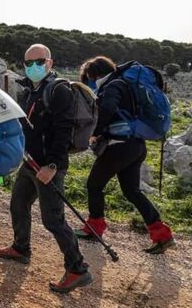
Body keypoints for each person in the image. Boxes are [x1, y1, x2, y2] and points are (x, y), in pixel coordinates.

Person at [0, 44, 92, 293]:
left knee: (53, 219)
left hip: (48, 167)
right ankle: (21, 247)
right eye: (28, 63)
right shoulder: (29, 91)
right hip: (29, 163)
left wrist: (52, 165)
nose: (33, 67)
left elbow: (63, 130)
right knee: (18, 203)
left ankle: (77, 268)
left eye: (39, 61)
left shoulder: (60, 91)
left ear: (50, 63)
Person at [75, 56, 175, 254]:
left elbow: (107, 109)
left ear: (95, 75)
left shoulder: (113, 86)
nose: (90, 82)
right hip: (136, 146)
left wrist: (94, 133)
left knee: (94, 185)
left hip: (119, 147)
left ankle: (95, 227)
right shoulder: (125, 84)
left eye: (89, 78)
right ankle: (162, 234)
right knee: (132, 192)